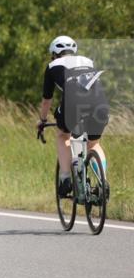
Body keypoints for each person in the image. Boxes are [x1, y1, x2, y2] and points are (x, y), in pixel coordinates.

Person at [38, 35, 109, 197]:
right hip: (100, 102)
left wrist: (42, 121)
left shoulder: (52, 66)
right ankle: (103, 182)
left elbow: (46, 101)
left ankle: (65, 179)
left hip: (73, 102)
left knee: (63, 135)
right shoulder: (88, 61)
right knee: (93, 144)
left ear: (54, 54)